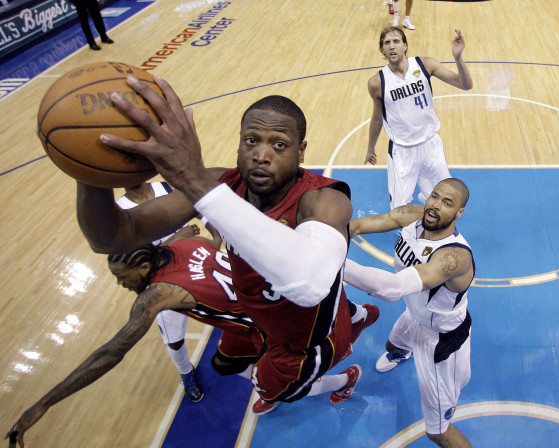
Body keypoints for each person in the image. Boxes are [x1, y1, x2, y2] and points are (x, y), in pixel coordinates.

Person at [71, 79, 378, 415]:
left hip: (307, 336)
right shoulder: (222, 184)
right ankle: (358, 315)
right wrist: (88, 169)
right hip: (257, 317)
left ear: (301, 151)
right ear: (239, 143)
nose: (262, 155)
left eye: (279, 144)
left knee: (273, 389)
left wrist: (192, 176)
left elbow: (310, 284)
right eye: (251, 141)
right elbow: (110, 238)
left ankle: (347, 364)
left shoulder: (325, 200)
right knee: (224, 363)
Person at [5, 237, 267, 447]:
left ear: (144, 267)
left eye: (122, 276)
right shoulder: (182, 244)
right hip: (254, 309)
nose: (120, 283)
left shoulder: (159, 293)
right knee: (222, 363)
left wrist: (43, 403)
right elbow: (208, 237)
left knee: (283, 380)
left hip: (268, 328)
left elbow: (110, 353)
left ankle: (274, 389)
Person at [345, 178, 475, 448]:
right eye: (435, 196)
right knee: (392, 345)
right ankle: (402, 351)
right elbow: (357, 225)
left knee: (438, 432)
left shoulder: (454, 257)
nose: (436, 206)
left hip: (441, 340)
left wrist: (334, 262)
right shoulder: (415, 215)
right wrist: (326, 239)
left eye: (447, 203)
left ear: (459, 213)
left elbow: (394, 288)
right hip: (414, 314)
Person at [117, 181, 223, 402]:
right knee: (174, 340)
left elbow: (197, 207)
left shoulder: (164, 188)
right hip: (163, 282)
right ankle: (186, 372)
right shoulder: (120, 211)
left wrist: (215, 236)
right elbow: (133, 260)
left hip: (196, 264)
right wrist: (177, 239)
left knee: (235, 304)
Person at [365, 27, 473, 210]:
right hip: (402, 150)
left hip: (431, 145)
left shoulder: (425, 65)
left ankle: (427, 198)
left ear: (405, 45)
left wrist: (457, 58)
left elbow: (465, 85)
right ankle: (407, 233)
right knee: (399, 210)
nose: (392, 46)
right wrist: (370, 148)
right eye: (387, 43)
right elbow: (377, 119)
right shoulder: (377, 82)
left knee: (447, 199)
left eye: (396, 41)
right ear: (382, 50)